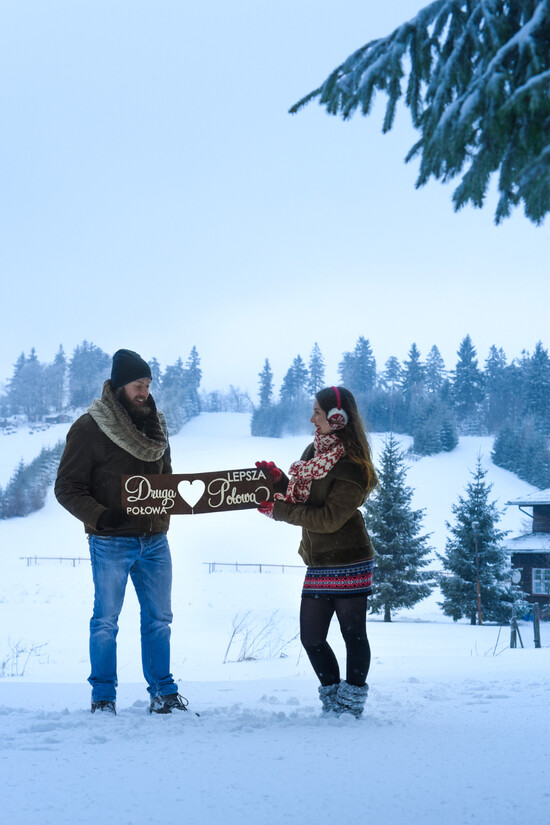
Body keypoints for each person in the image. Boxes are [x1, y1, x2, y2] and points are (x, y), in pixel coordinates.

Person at [55, 349, 187, 716]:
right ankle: (103, 697)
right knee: (106, 621)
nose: (144, 392)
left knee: (160, 620)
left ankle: (163, 692)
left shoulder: (156, 427)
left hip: (155, 541)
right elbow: (66, 486)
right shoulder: (89, 428)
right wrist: (101, 516)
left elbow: (167, 481)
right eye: (137, 385)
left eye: (147, 385)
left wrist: (171, 508)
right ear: (118, 387)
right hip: (111, 541)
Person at [257, 386, 378, 718]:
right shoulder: (314, 452)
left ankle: (350, 704)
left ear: (337, 419)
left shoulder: (353, 466)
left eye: (318, 413)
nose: (312, 418)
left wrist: (278, 511)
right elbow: (302, 498)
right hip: (319, 561)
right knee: (311, 638)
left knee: (353, 634)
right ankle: (334, 699)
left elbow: (328, 518)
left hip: (350, 559)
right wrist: (279, 481)